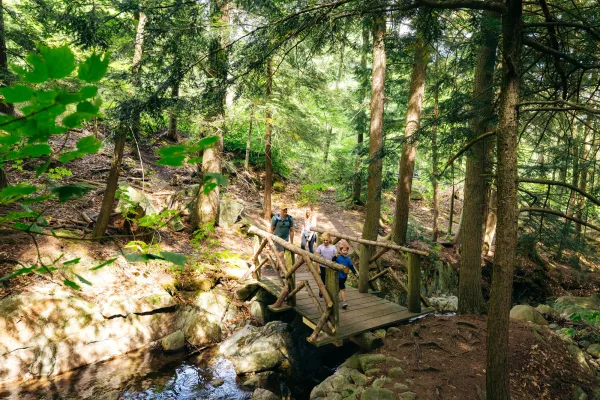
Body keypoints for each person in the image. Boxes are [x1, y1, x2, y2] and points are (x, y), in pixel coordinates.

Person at [334, 243, 357, 309]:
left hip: (344, 276)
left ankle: (333, 297)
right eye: (344, 250)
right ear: (340, 251)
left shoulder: (348, 259)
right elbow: (332, 260)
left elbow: (351, 266)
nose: (345, 251)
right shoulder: (338, 258)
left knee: (339, 288)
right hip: (339, 276)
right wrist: (335, 256)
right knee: (342, 289)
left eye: (346, 250)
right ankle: (344, 302)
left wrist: (355, 273)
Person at [316, 233, 337, 297]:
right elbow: (317, 258)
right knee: (323, 280)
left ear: (329, 240)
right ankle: (321, 290)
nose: (325, 242)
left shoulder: (333, 247)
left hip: (330, 267)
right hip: (322, 266)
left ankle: (330, 293)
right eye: (324, 240)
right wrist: (318, 268)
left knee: (330, 280)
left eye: (326, 240)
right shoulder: (320, 247)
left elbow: (335, 257)